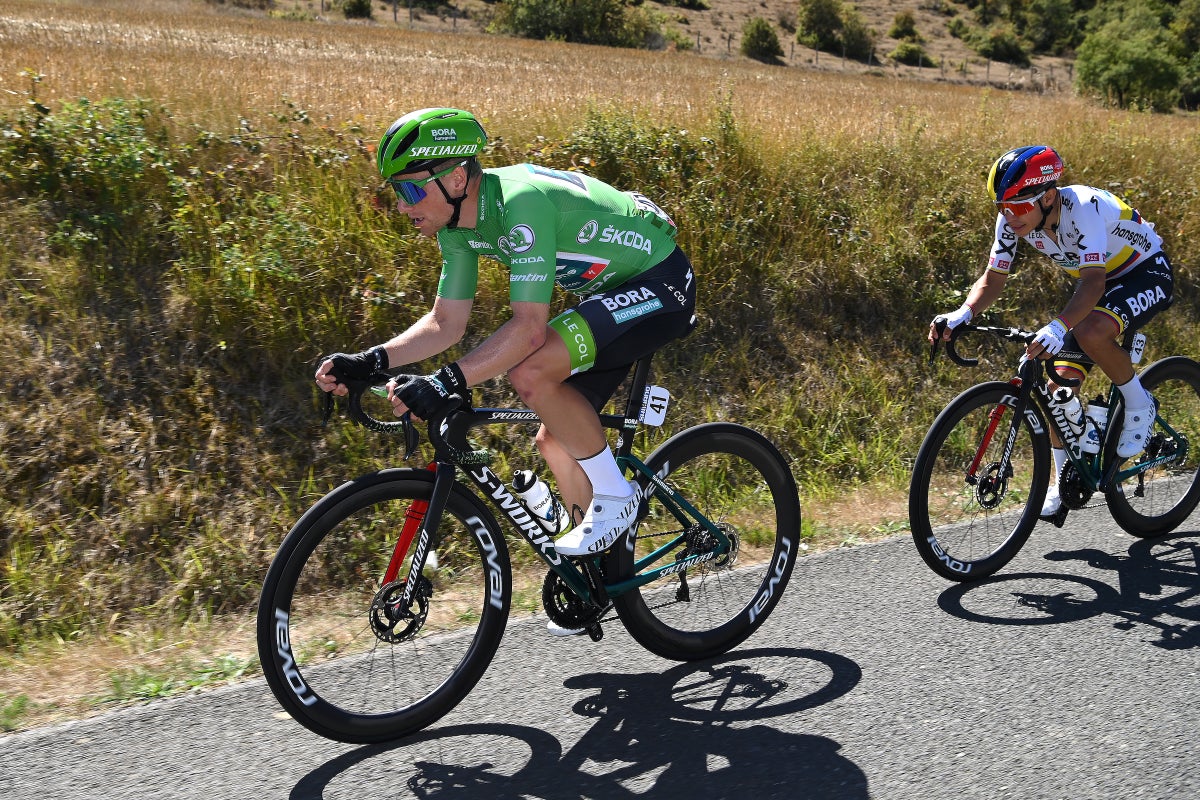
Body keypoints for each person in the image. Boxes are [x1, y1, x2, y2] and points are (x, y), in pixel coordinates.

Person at [316, 107, 697, 562]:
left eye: (411, 189)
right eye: (397, 191)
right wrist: (371, 362)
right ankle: (599, 574)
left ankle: (617, 497)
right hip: (612, 292)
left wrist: (443, 383)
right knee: (556, 439)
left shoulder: (520, 204)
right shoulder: (457, 228)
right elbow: (445, 323)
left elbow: (529, 329)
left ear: (456, 179)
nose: (402, 205)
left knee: (531, 372)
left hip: (659, 285)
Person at [930, 145, 1174, 517]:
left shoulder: (1084, 207)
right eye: (1002, 208)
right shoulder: (1014, 219)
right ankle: (1064, 484)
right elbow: (994, 278)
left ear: (1046, 196)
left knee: (1092, 331)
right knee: (1058, 392)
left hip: (1144, 273)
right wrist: (963, 313)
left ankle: (1139, 405)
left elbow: (1092, 284)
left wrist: (1059, 327)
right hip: (1101, 284)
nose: (1008, 216)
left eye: (1016, 207)